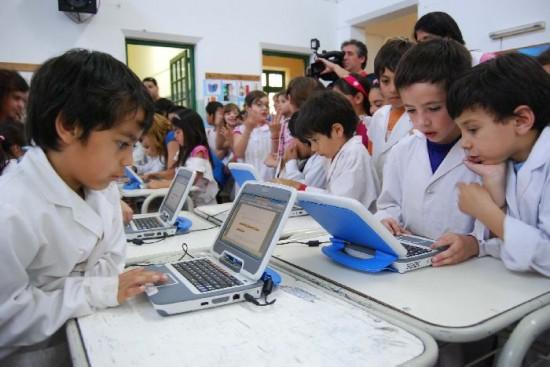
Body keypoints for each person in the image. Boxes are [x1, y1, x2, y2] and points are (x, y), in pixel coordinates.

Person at [0, 49, 166, 364]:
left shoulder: (100, 186)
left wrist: (58, 292)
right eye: (122, 143)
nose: (129, 160)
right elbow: (7, 319)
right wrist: (94, 291)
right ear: (69, 126)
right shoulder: (10, 208)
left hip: (93, 333)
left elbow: (114, 261)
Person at [376, 38, 480, 267]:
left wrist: (473, 243)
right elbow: (388, 204)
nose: (422, 121)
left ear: (460, 97)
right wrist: (386, 220)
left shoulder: (486, 155)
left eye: (433, 108)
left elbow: (497, 226)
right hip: (412, 261)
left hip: (466, 271)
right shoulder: (403, 151)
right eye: (411, 110)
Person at [447, 53, 550, 276]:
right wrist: (475, 245)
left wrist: (487, 211)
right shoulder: (508, 161)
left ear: (521, 120)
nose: (464, 143)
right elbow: (511, 243)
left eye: (473, 129)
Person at [286, 90, 378, 210]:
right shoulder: (335, 153)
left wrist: (301, 189)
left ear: (337, 130)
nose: (313, 148)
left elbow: (341, 204)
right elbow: (333, 195)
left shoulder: (354, 154)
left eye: (315, 140)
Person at [369, 38, 414, 191]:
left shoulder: (420, 120)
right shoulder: (378, 117)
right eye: (385, 81)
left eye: (400, 80)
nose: (393, 89)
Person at [149, 110, 218, 206]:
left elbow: (190, 181)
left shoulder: (199, 151)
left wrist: (161, 184)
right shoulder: (184, 151)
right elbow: (174, 173)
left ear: (190, 131)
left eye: (178, 132)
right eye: (174, 132)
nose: (174, 136)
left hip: (202, 207)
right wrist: (154, 176)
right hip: (187, 203)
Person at [413, 11, 495, 66]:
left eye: (427, 39)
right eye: (419, 43)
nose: (422, 47)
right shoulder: (433, 70)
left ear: (448, 37)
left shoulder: (483, 61)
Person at [274, 112, 329, 189]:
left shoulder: (321, 159)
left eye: (294, 139)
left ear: (304, 139)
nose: (293, 144)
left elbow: (303, 190)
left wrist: (291, 162)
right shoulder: (305, 159)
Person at [233, 91, 274, 181]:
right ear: (248, 108)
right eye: (259, 105)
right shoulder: (240, 130)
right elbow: (238, 154)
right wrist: (248, 130)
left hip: (268, 180)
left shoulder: (272, 128)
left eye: (267, 105)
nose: (264, 108)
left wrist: (275, 133)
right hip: (247, 181)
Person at [332, 73, 371, 150]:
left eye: (337, 98)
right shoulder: (345, 126)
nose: (333, 103)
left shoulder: (369, 127)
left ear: (358, 98)